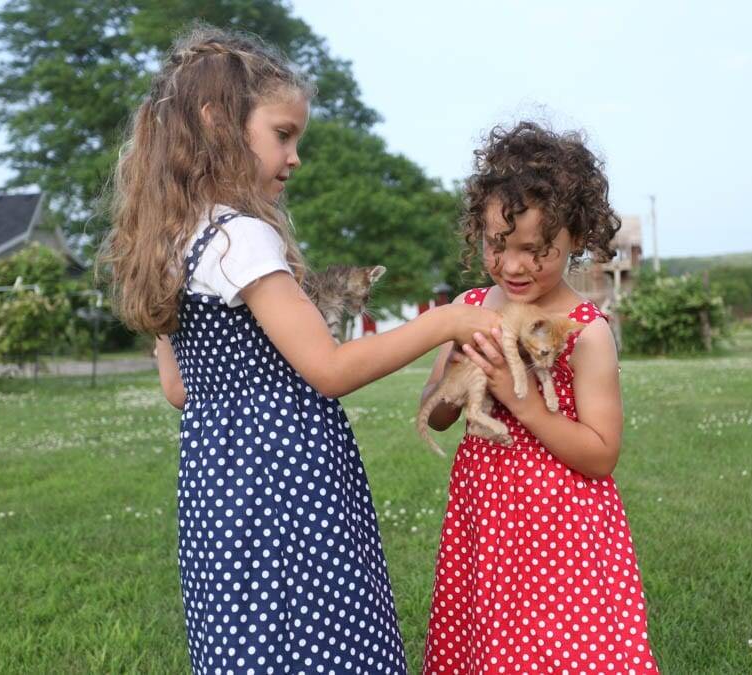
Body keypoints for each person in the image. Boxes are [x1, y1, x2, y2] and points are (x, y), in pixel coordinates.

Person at [100, 25, 498, 674]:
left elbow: (180, 390)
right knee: (324, 640)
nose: (294, 157)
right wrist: (446, 320)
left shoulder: (174, 241)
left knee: (254, 642)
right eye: (282, 134)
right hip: (289, 485)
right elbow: (329, 369)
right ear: (218, 122)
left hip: (218, 490)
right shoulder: (241, 239)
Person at [421, 122, 659, 674]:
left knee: (562, 644)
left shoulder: (585, 330)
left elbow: (601, 454)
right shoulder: (469, 305)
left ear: (575, 238)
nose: (512, 265)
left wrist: (522, 403)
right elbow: (435, 416)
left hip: (563, 524)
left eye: (535, 250)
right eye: (496, 245)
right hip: (488, 513)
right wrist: (457, 365)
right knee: (491, 640)